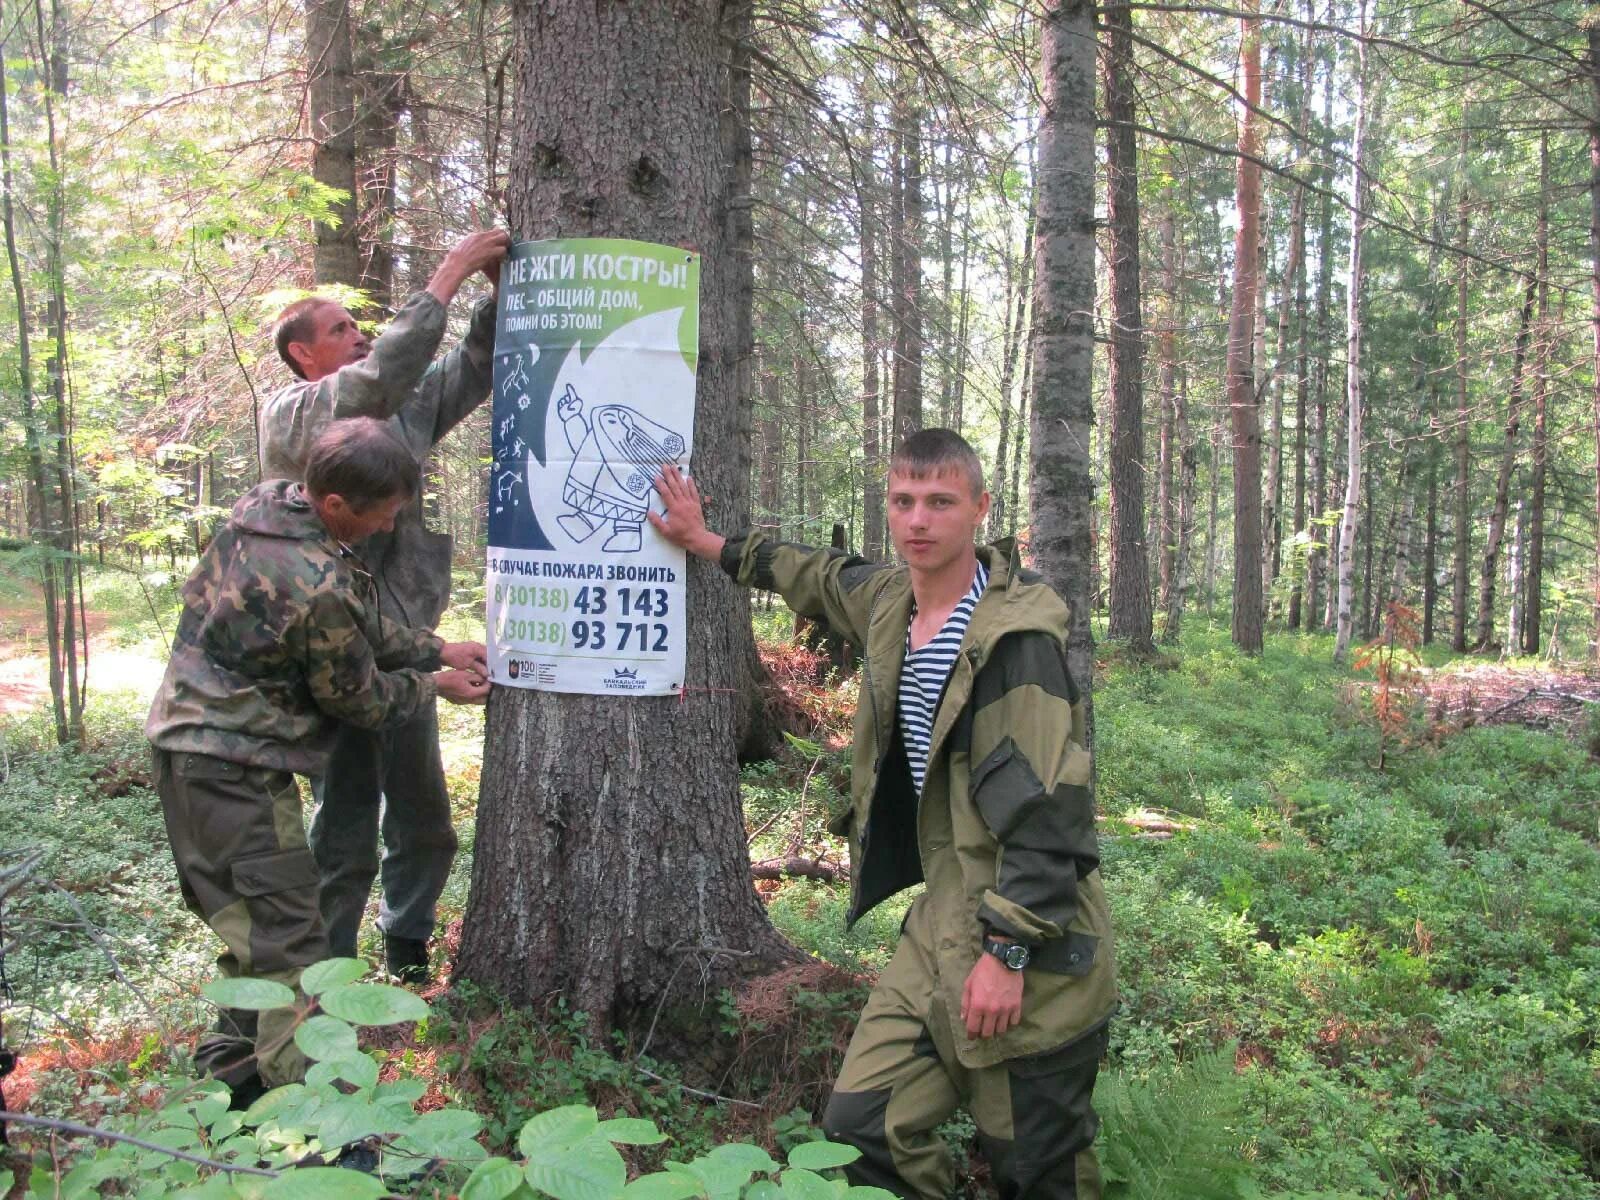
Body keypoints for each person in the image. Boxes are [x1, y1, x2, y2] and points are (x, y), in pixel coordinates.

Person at [650, 429, 1117, 1199]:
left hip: (1028, 934)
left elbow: (1047, 814)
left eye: (940, 502)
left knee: (1038, 1169)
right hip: (942, 919)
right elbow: (817, 575)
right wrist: (706, 541)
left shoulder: (1012, 641)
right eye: (903, 502)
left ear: (979, 510)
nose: (918, 521)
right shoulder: (891, 601)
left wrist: (1008, 954)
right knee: (862, 1129)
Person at [146, 418, 490, 1096]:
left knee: (258, 938)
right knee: (290, 951)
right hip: (229, 775)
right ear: (335, 504)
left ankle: (230, 1089)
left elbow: (345, 627)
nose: (389, 528)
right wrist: (436, 686)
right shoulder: (315, 578)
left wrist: (433, 647)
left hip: (199, 756)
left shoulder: (272, 513)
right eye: (382, 515)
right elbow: (357, 699)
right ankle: (319, 1134)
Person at [259, 228, 509, 982]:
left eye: (356, 325)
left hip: (403, 648)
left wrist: (500, 299)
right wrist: (452, 272)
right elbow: (372, 384)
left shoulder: (398, 412)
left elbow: (470, 370)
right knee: (343, 836)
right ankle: (328, 983)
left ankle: (407, 950)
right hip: (335, 664)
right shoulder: (295, 412)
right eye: (340, 328)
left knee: (426, 824)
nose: (357, 334)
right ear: (304, 353)